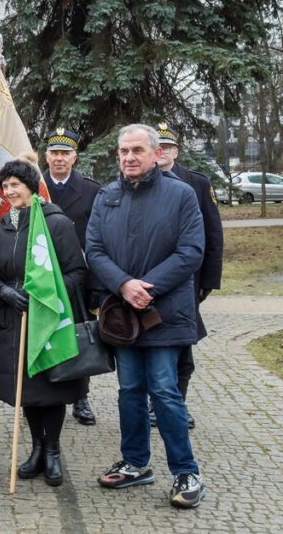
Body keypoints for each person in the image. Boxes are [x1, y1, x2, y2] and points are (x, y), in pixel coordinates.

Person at [88, 124, 206, 509]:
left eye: (137, 150)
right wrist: (123, 285)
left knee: (165, 391)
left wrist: (146, 286)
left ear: (157, 153)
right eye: (123, 151)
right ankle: (136, 463)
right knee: (129, 392)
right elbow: (95, 250)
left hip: (165, 313)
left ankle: (186, 471)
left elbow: (191, 252)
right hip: (123, 315)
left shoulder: (182, 194)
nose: (129, 157)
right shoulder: (106, 197)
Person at [0, 158, 88, 487]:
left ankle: (54, 451)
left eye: (16, 184)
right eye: (6, 186)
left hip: (47, 318)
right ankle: (36, 449)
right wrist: (3, 291)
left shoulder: (55, 223)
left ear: (31, 186)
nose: (10, 191)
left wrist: (49, 297)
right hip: (14, 320)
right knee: (27, 392)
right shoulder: (2, 226)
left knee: (51, 389)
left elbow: (77, 272)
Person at [153, 123, 223, 429]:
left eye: (167, 148)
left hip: (187, 282)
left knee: (183, 347)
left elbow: (213, 234)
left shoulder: (196, 182)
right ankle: (153, 405)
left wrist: (208, 282)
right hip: (148, 280)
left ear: (175, 152)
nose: (162, 153)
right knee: (147, 342)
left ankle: (176, 405)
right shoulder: (138, 182)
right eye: (158, 147)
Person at [41, 128, 101, 426]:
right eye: (54, 152)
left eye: (65, 153)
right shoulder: (34, 186)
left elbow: (99, 236)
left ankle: (81, 397)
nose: (59, 158)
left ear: (75, 157)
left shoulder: (91, 190)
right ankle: (44, 391)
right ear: (46, 155)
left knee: (79, 336)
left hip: (77, 276)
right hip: (41, 274)